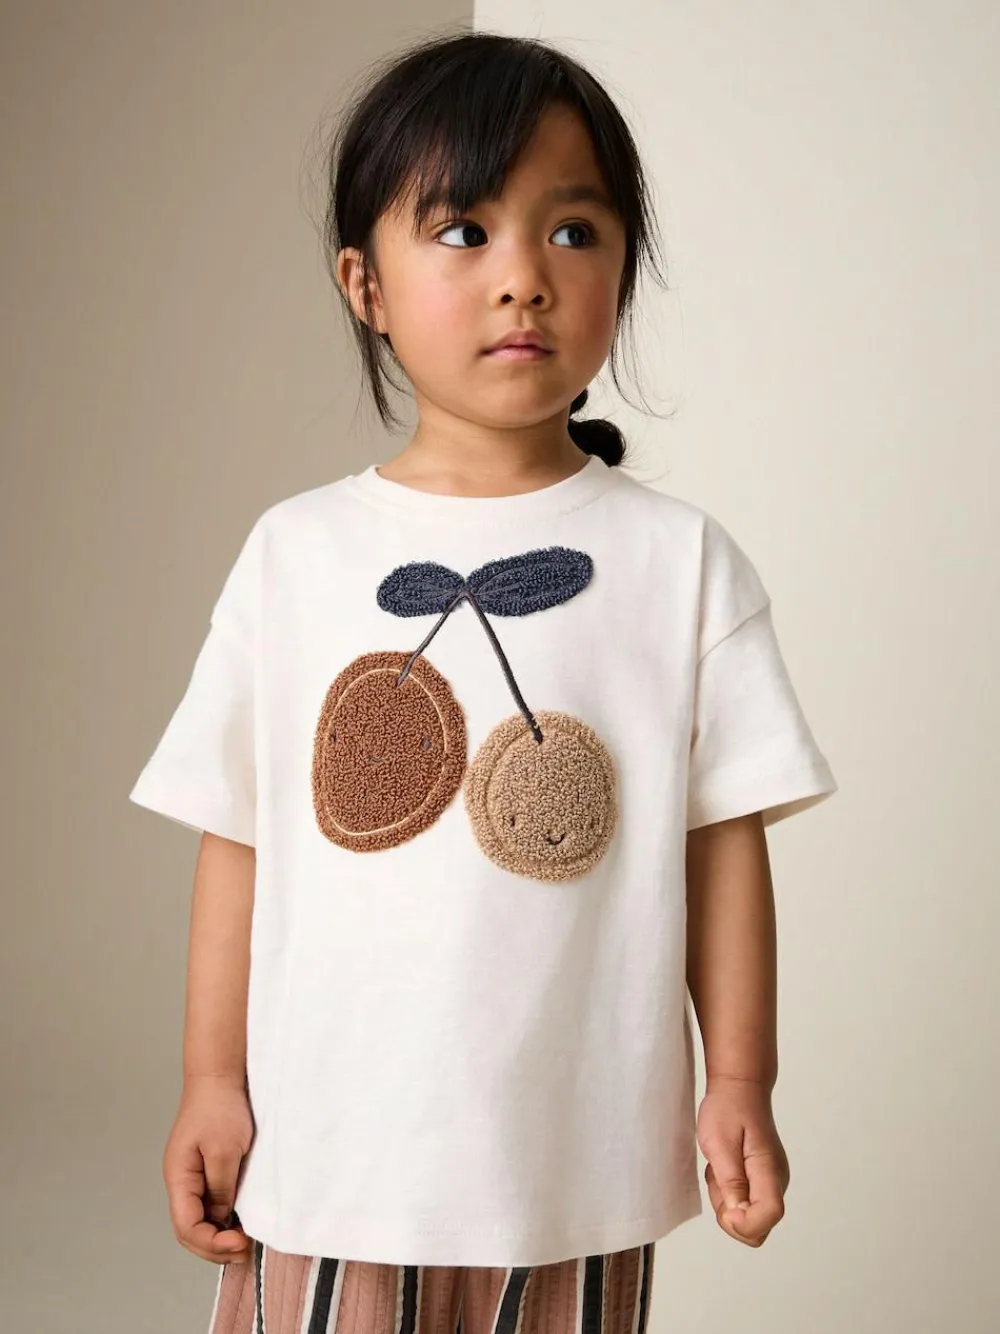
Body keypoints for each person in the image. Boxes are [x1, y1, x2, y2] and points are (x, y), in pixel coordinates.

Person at [128, 29, 838, 1334]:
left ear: (623, 269)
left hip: (571, 1169)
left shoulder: (680, 564)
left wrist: (740, 1078)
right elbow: (239, 834)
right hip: (330, 1151)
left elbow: (721, 843)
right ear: (365, 283)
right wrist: (210, 1080)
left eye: (573, 231)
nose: (524, 278)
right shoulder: (297, 553)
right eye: (463, 232)